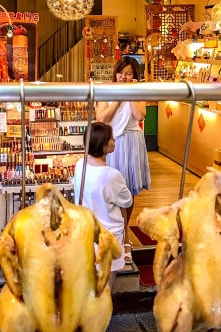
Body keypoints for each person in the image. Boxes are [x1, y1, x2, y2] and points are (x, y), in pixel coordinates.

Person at [96, 56, 151, 263]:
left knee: (127, 192)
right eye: (121, 72)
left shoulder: (139, 91)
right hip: (111, 143)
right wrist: (118, 97)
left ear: (135, 77)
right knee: (111, 191)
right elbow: (102, 118)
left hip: (132, 141)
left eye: (129, 74)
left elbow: (139, 115)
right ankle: (113, 233)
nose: (124, 77)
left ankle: (125, 236)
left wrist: (130, 94)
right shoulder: (106, 89)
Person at [73, 122, 133, 286]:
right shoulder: (112, 175)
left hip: (86, 234)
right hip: (108, 238)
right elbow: (127, 200)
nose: (114, 141)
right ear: (102, 145)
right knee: (105, 289)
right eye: (111, 139)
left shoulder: (80, 165)